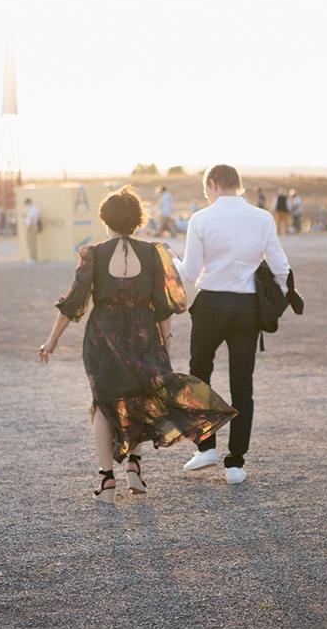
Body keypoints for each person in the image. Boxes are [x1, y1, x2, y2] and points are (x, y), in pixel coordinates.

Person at [39, 187, 234, 500]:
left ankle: (106, 481)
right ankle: (134, 467)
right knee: (141, 398)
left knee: (104, 403)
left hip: (104, 337)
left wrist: (51, 341)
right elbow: (164, 305)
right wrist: (165, 343)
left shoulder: (94, 254)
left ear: (106, 219)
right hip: (144, 335)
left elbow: (74, 303)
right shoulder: (152, 253)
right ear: (137, 221)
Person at [173, 164, 291, 484]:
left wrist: (170, 261)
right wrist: (276, 299)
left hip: (211, 303)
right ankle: (236, 463)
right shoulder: (263, 217)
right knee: (243, 384)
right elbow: (281, 267)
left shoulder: (201, 219)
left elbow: (189, 272)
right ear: (237, 185)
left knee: (199, 376)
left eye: (205, 190)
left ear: (212, 184)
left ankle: (206, 446)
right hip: (246, 306)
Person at [22, 197, 41, 262]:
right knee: (31, 242)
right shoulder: (33, 208)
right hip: (31, 226)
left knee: (31, 242)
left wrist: (28, 226)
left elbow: (32, 219)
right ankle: (32, 257)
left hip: (31, 227)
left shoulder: (33, 209)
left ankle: (33, 257)